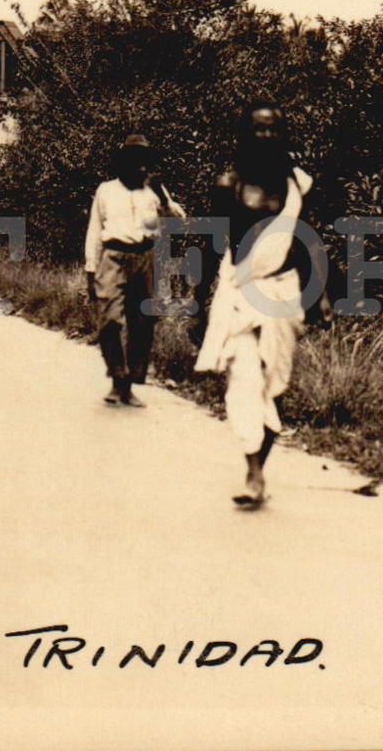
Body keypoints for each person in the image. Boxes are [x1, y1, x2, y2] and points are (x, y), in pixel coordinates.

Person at [191, 103, 330, 507]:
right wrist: (198, 304)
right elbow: (208, 244)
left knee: (276, 382)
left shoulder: (297, 185)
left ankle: (260, 468)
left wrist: (320, 294)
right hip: (239, 291)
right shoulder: (228, 185)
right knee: (244, 379)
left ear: (283, 134)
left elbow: (308, 240)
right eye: (257, 129)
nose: (265, 136)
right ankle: (252, 472)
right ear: (244, 134)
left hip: (285, 290)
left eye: (273, 130)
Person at [84, 134, 184, 407]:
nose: (139, 168)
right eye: (133, 161)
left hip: (145, 258)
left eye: (143, 162)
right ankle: (117, 377)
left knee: (142, 322)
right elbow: (94, 231)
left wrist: (162, 192)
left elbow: (177, 219)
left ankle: (129, 384)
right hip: (113, 257)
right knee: (110, 319)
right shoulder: (106, 190)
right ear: (122, 163)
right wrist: (90, 271)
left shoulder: (153, 192)